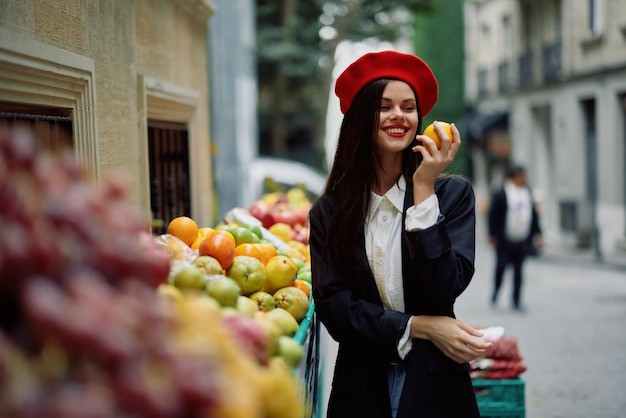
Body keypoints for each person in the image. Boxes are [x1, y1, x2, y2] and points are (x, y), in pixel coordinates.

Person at [309, 50, 492, 418]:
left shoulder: (451, 196)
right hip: (360, 387)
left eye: (408, 107)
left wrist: (423, 187)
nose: (399, 116)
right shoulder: (329, 213)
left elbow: (443, 288)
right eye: (384, 106)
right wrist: (419, 326)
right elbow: (336, 308)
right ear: (361, 118)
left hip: (437, 386)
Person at [488, 164, 543, 311]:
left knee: (519, 272)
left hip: (522, 239)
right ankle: (496, 292)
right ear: (516, 176)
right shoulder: (502, 192)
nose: (525, 178)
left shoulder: (527, 192)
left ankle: (516, 300)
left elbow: (534, 215)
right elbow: (493, 215)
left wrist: (539, 233)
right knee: (501, 268)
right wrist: (492, 235)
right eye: (522, 175)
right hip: (505, 240)